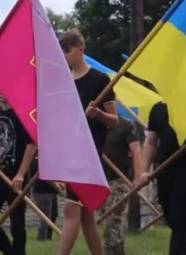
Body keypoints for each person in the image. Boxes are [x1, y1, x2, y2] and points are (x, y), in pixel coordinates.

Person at [57, 29, 118, 255]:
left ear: (80, 49)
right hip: (70, 153)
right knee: (85, 215)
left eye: (68, 50)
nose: (64, 55)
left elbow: (114, 120)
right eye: (61, 51)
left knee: (71, 209)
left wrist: (98, 115)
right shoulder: (63, 82)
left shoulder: (101, 80)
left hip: (89, 155)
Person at [135, 102, 186, 255]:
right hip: (165, 170)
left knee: (180, 220)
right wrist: (143, 172)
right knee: (172, 218)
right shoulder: (158, 109)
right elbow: (150, 142)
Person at [0, 91, 35, 255]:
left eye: (3, 89)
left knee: (17, 222)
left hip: (17, 174)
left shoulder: (21, 114)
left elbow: (30, 146)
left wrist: (20, 174)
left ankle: (18, 252)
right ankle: (8, 250)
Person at [101, 116, 142, 255]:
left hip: (119, 180)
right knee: (109, 226)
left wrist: (137, 178)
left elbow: (136, 151)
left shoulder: (126, 126)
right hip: (100, 181)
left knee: (111, 222)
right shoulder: (95, 126)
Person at [32, 169, 59, 241]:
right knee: (45, 217)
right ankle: (41, 238)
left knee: (53, 214)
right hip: (43, 193)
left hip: (51, 192)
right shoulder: (38, 162)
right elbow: (43, 175)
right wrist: (56, 185)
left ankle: (48, 236)